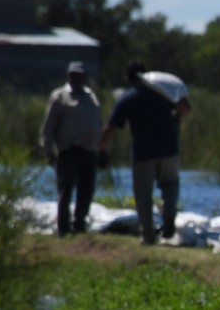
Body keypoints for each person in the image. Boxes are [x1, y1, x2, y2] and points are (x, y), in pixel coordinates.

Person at [100, 62, 191, 245]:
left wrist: (100, 148)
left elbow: (111, 128)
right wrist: (176, 119)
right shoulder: (165, 93)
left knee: (143, 194)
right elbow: (185, 108)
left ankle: (149, 236)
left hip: (144, 154)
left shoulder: (128, 98)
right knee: (170, 186)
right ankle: (169, 224)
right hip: (169, 151)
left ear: (129, 79)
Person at [39, 61, 104, 236]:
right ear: (69, 76)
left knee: (87, 188)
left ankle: (79, 223)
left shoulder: (90, 95)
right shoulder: (60, 96)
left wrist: (101, 146)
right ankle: (63, 227)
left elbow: (97, 121)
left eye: (80, 75)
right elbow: (48, 126)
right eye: (74, 75)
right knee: (66, 189)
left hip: (89, 150)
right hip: (69, 150)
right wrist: (49, 150)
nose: (77, 78)